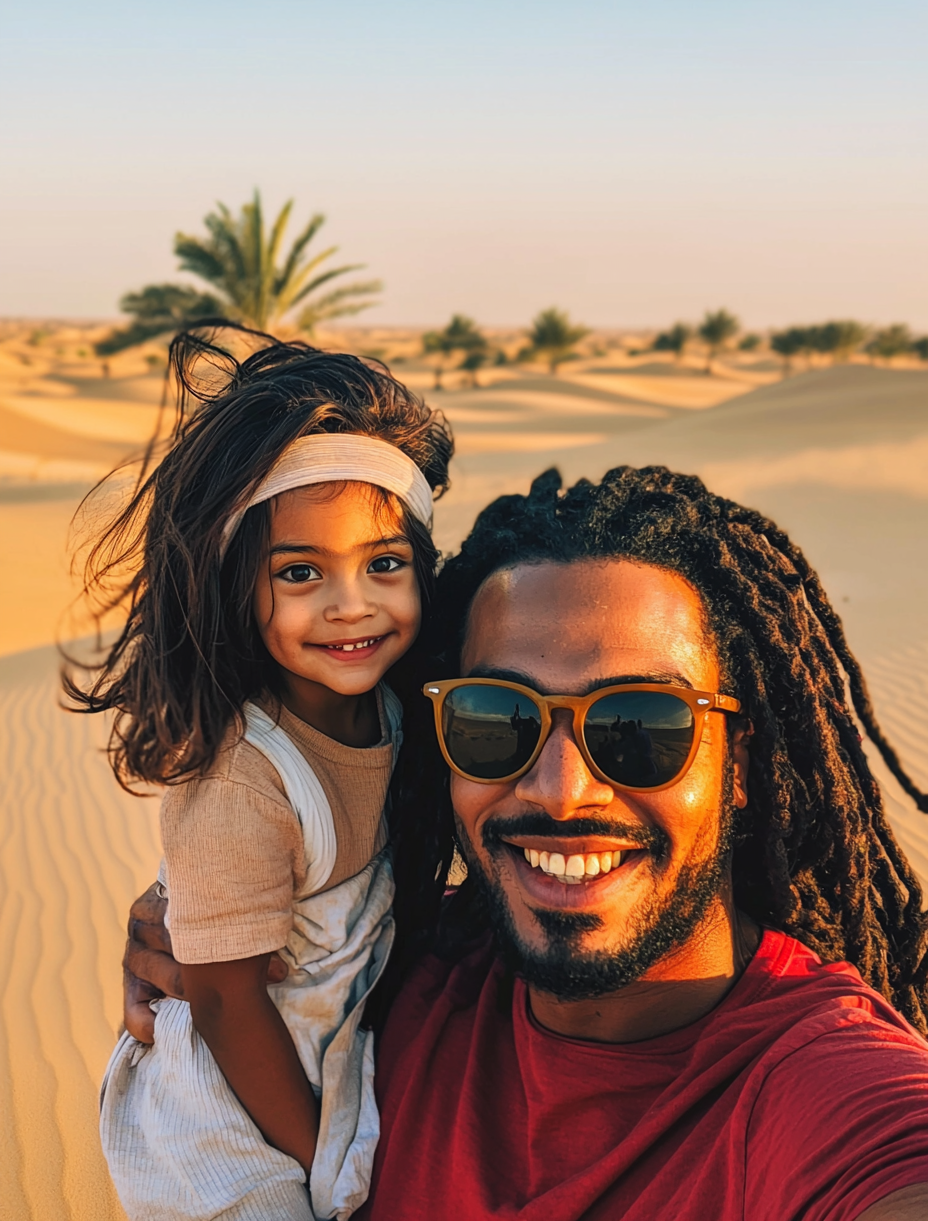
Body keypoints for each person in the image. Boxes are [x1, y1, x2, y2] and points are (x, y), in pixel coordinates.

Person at [122, 466, 928, 1220]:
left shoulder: (825, 1090)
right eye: (494, 720)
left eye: (640, 726)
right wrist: (211, 929)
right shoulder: (386, 981)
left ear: (738, 762)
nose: (560, 788)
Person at [66, 325, 452, 1221]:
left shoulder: (401, 708)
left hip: (324, 1064)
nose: (349, 604)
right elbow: (224, 999)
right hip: (225, 1114)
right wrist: (322, 1159)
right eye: (301, 572)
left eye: (384, 564)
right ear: (242, 586)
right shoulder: (244, 778)